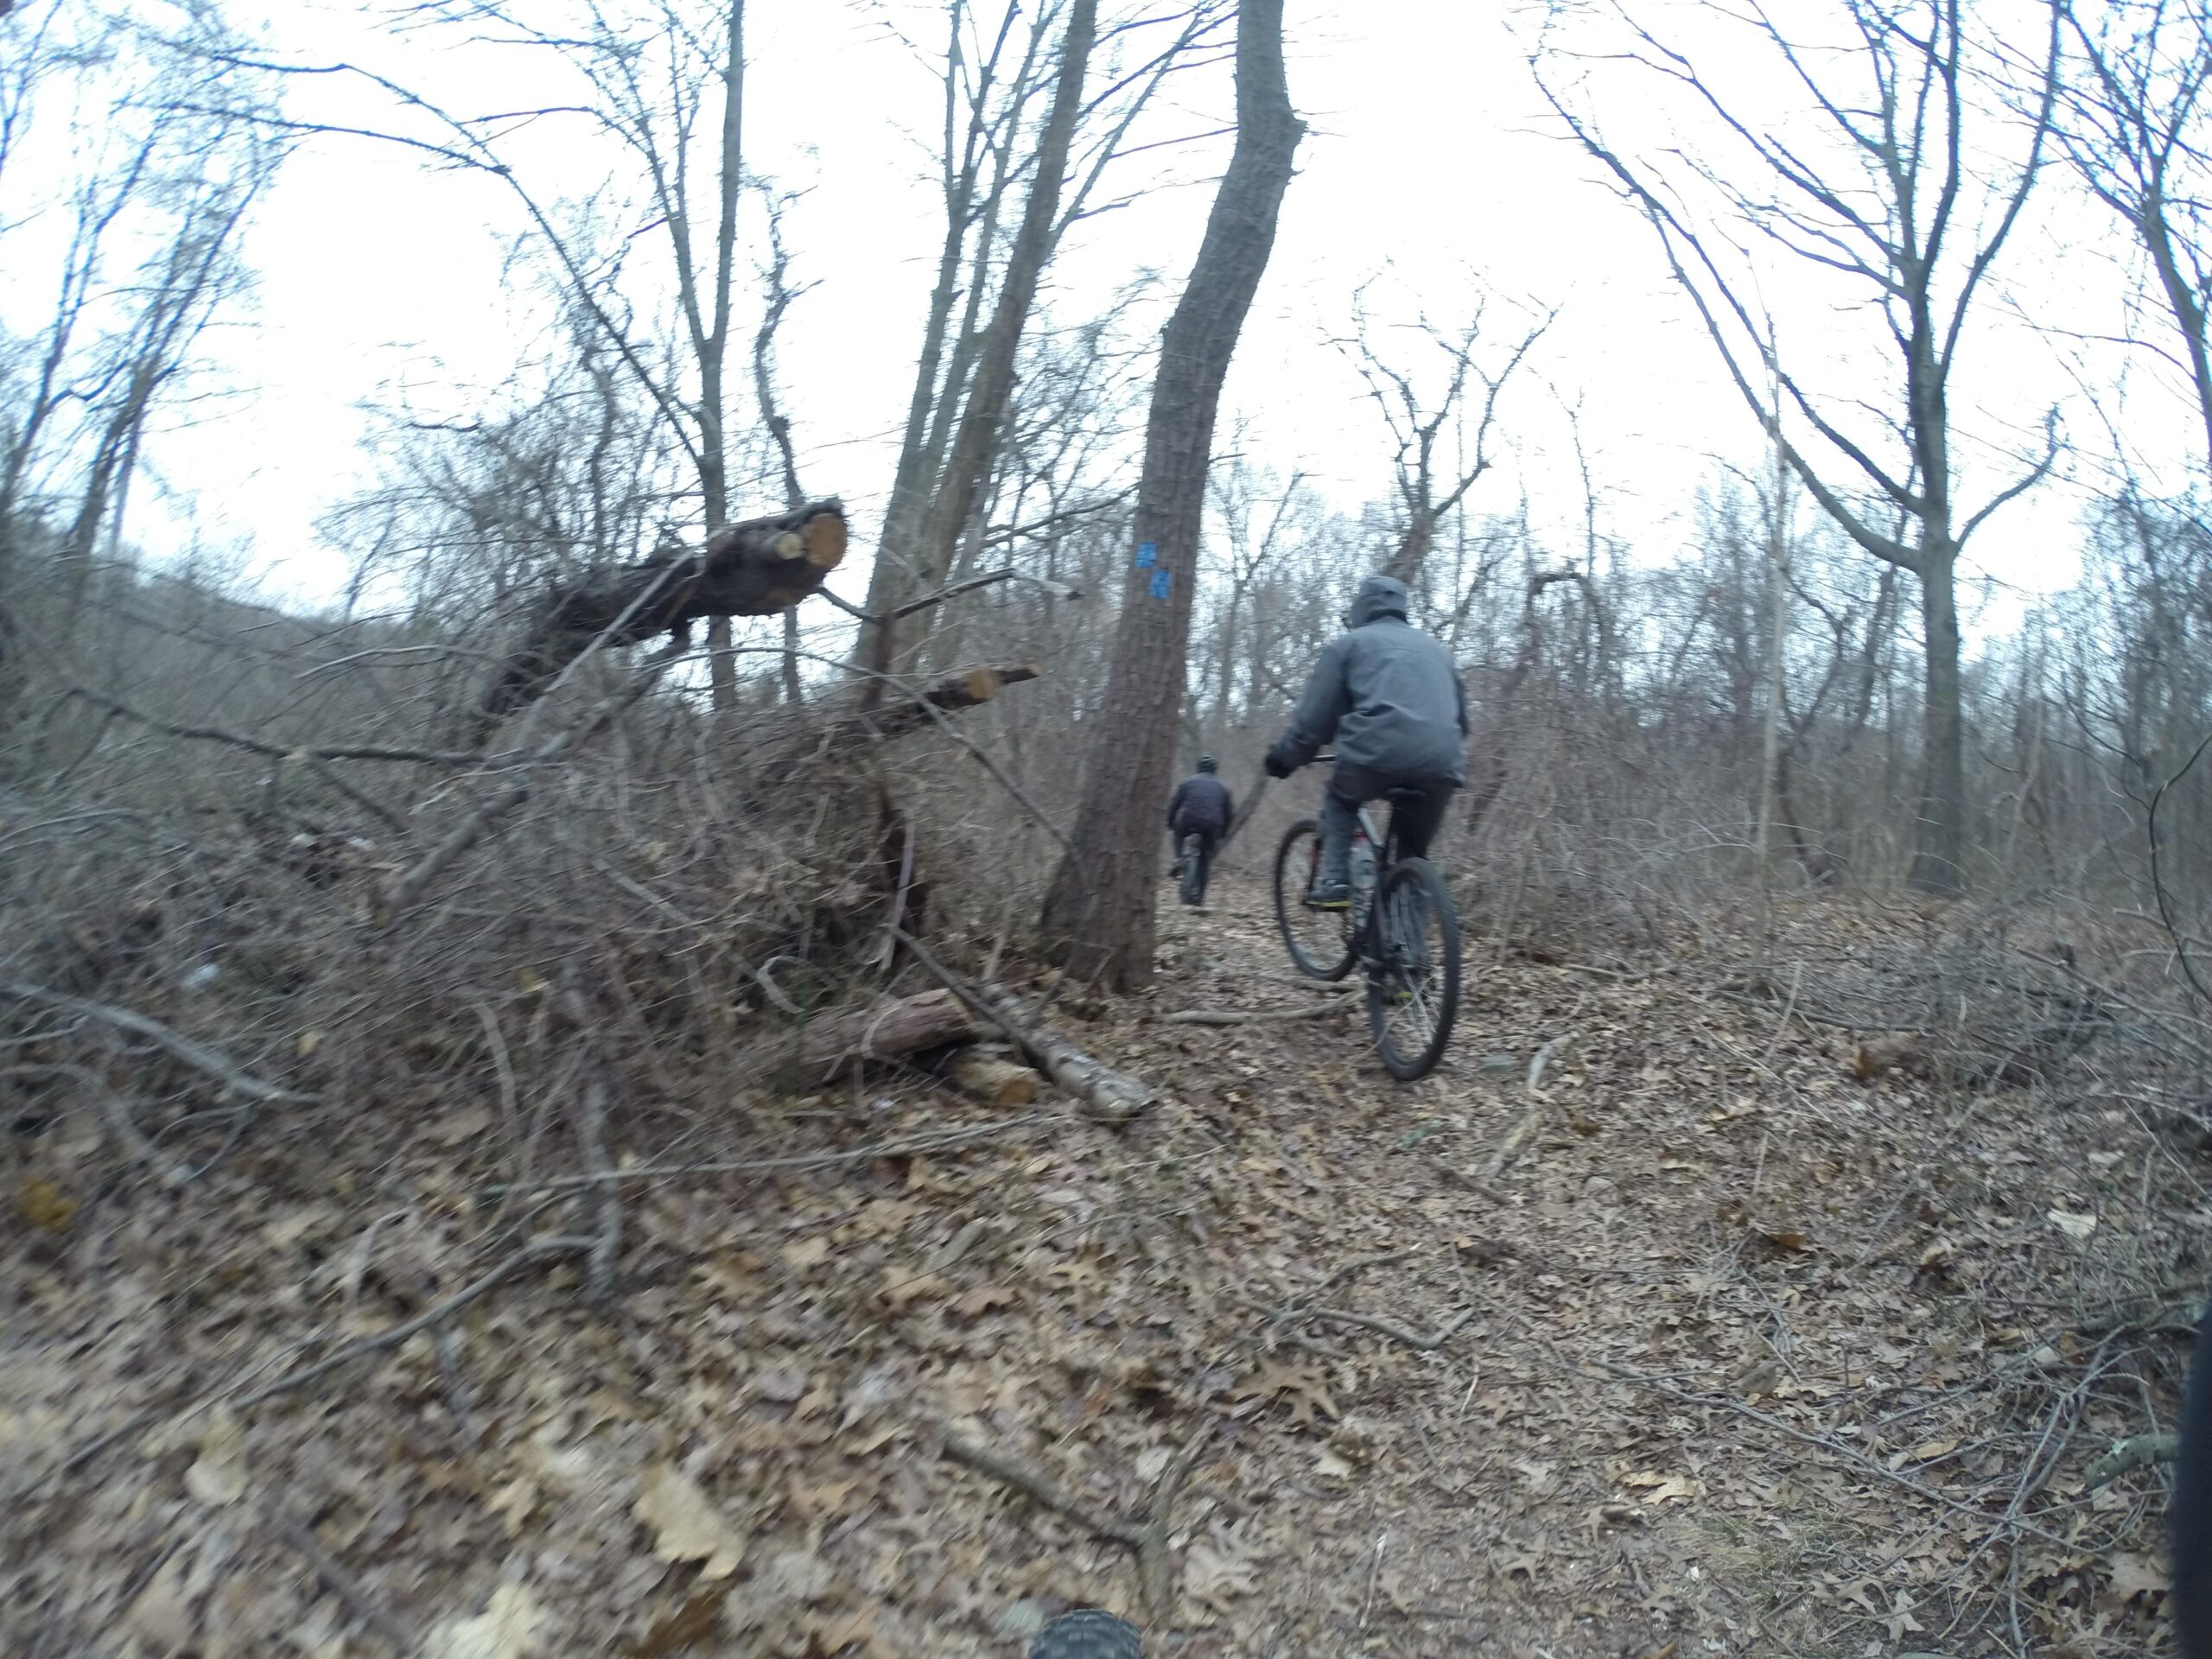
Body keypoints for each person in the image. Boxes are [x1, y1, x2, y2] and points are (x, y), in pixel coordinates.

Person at [1263, 574, 1465, 906]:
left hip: (1373, 758)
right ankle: (1410, 953)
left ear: (1361, 608)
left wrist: (1284, 758)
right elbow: (1462, 721)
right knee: (1413, 854)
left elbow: (1312, 725)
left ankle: (1334, 882)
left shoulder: (1348, 646)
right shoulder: (1439, 652)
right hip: (1442, 762)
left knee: (1341, 798)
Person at [1165, 754, 1233, 906]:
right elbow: (1229, 815)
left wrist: (1170, 822)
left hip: (1189, 819)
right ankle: (1199, 899)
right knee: (1204, 861)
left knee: (1178, 834)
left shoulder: (1187, 783)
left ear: (1198, 768)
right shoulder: (1223, 788)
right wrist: (1222, 834)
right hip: (1212, 824)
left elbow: (1174, 805)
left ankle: (1178, 860)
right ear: (1215, 770)